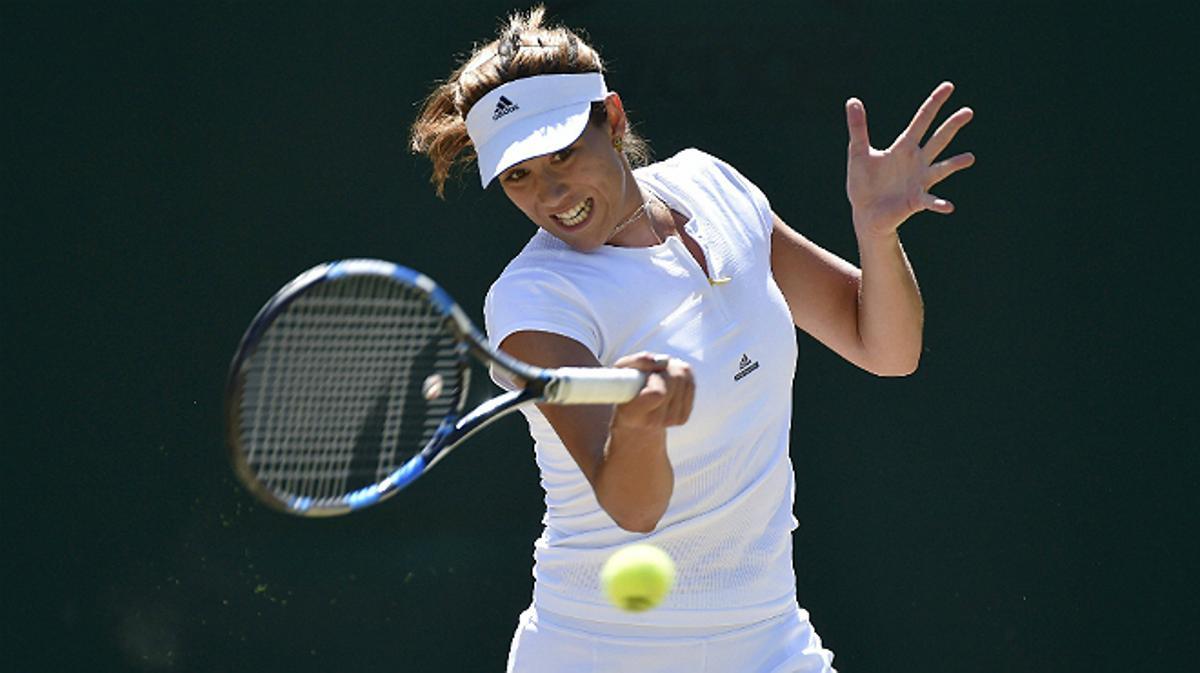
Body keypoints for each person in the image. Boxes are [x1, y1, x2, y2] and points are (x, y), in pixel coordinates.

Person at [410, 7, 974, 672]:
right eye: (519, 175)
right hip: (597, 654)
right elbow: (632, 508)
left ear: (613, 120)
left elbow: (886, 348)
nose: (551, 192)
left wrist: (877, 233)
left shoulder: (713, 185)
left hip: (770, 639)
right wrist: (642, 427)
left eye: (563, 151)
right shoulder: (535, 302)